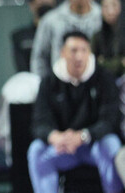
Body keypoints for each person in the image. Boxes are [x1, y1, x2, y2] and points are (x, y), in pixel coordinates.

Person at [28, 31, 122, 193]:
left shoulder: (104, 77)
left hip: (93, 143)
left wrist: (83, 136)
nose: (79, 56)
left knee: (111, 144)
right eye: (73, 50)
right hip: (62, 146)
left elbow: (110, 120)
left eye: (84, 50)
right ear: (62, 53)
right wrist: (54, 136)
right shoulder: (49, 81)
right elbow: (39, 121)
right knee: (36, 150)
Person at [31, 0, 102, 77]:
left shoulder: (103, 18)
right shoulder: (51, 20)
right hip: (59, 82)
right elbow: (39, 56)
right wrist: (42, 83)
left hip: (96, 81)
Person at [10, 0, 57, 72]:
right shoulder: (20, 36)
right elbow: (21, 68)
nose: (44, 8)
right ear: (32, 5)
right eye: (41, 3)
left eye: (48, 4)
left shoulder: (61, 34)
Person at [92, 0, 125, 76]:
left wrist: (103, 62)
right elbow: (92, 64)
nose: (110, 11)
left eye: (114, 5)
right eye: (105, 6)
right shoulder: (97, 36)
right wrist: (120, 62)